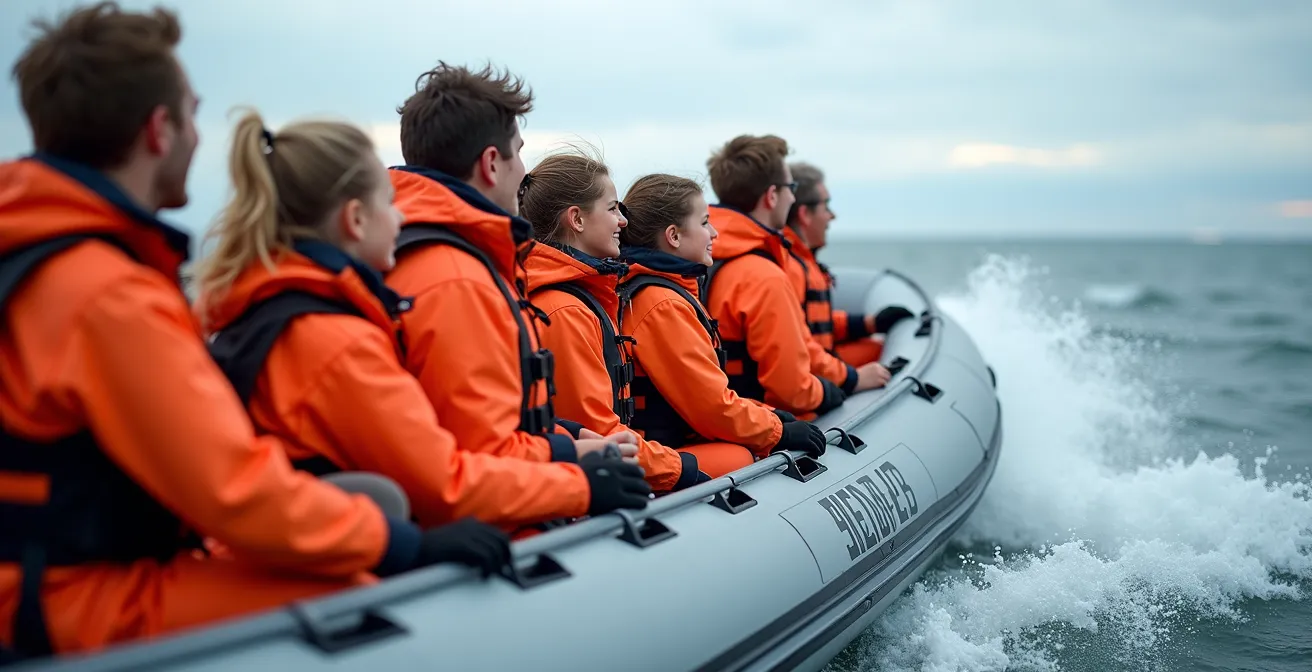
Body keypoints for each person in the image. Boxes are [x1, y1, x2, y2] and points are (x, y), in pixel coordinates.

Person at [0, 3, 509, 660]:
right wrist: (400, 543)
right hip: (67, 596)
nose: (197, 136)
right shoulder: (109, 293)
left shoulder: (38, 254)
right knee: (361, 603)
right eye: (192, 114)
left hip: (43, 575)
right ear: (160, 130)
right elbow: (233, 492)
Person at [192, 111, 652, 532]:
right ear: (355, 220)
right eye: (389, 203)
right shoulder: (336, 338)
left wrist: (563, 447)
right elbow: (444, 485)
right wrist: (582, 485)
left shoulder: (274, 310)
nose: (401, 216)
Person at [385, 63, 632, 472]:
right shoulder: (457, 279)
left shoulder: (421, 254)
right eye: (517, 152)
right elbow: (479, 454)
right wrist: (577, 476)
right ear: (491, 164)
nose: (522, 171)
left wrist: (566, 438)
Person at [519, 152, 709, 491]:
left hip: (621, 461)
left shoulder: (578, 299)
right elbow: (596, 433)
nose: (623, 222)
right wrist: (678, 469)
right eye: (612, 209)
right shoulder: (565, 310)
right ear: (576, 219)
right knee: (738, 458)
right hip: (597, 478)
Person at [617, 174, 828, 476]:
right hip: (663, 450)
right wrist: (777, 431)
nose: (714, 233)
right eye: (705, 223)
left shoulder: (661, 293)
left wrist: (770, 416)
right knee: (740, 457)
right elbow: (711, 408)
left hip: (674, 440)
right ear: (673, 236)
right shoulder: (661, 304)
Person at [703, 135, 887, 418]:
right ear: (772, 196)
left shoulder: (701, 260)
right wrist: (842, 385)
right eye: (791, 188)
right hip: (764, 425)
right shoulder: (763, 276)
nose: (792, 197)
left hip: (718, 419)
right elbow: (792, 389)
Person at [785, 162, 913, 366]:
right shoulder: (790, 268)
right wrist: (851, 378)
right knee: (880, 358)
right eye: (826, 206)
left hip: (821, 366)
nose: (832, 216)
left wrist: (869, 324)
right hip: (814, 374)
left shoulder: (801, 262)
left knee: (876, 349)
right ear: (805, 214)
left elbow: (813, 324)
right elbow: (798, 351)